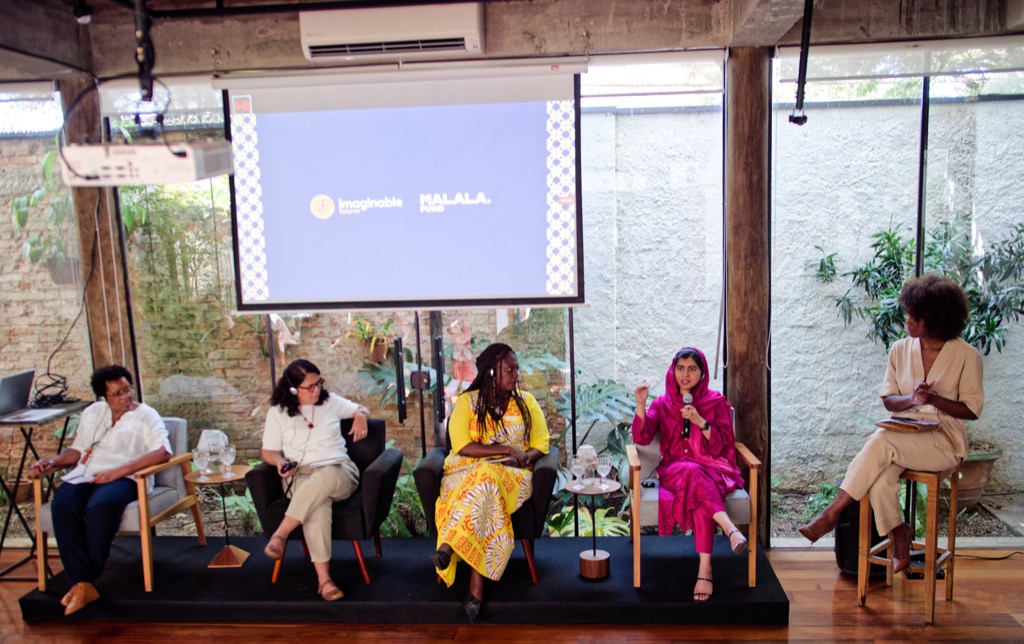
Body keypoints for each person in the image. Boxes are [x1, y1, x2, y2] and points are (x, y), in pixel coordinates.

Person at [799, 274, 984, 573]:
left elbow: (972, 410)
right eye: (908, 313)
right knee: (881, 480)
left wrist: (934, 401)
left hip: (944, 441)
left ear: (935, 319)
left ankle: (831, 513)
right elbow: (889, 400)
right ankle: (899, 533)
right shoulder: (900, 349)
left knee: (882, 441)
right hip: (905, 432)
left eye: (915, 316)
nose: (907, 320)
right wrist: (912, 398)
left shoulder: (966, 356)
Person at [30, 365, 172, 616]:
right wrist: (53, 461)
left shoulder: (146, 415)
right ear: (103, 397)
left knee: (100, 506)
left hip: (125, 477)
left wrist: (116, 472)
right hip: (87, 473)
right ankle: (83, 584)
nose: (126, 396)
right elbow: (77, 451)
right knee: (62, 505)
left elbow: (162, 452)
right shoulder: (93, 412)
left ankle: (83, 581)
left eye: (127, 389)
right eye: (117, 393)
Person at [431, 343, 550, 622]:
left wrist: (524, 457)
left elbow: (541, 444)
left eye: (517, 369)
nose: (516, 375)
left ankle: (450, 546)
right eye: (510, 369)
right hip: (465, 474)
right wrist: (506, 449)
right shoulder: (467, 402)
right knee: (484, 480)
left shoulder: (527, 402)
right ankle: (476, 583)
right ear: (492, 371)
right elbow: (462, 446)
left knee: (487, 479)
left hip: (513, 476)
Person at [633, 346, 747, 603]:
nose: (685, 374)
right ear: (673, 371)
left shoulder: (715, 403)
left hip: (711, 469)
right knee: (692, 472)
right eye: (680, 368)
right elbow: (642, 437)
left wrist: (700, 422)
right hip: (674, 471)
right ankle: (730, 530)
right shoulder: (662, 403)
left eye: (692, 369)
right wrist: (641, 404)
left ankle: (705, 569)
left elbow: (723, 447)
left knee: (698, 491)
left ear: (702, 373)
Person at [259, 358, 370, 602]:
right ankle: (324, 581)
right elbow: (268, 451)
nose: (317, 389)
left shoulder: (330, 402)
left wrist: (360, 415)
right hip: (300, 475)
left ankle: (281, 534)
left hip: (339, 471)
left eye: (318, 383)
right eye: (310, 386)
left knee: (325, 477)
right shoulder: (277, 413)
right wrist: (279, 462)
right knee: (317, 507)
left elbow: (359, 408)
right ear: (292, 389)